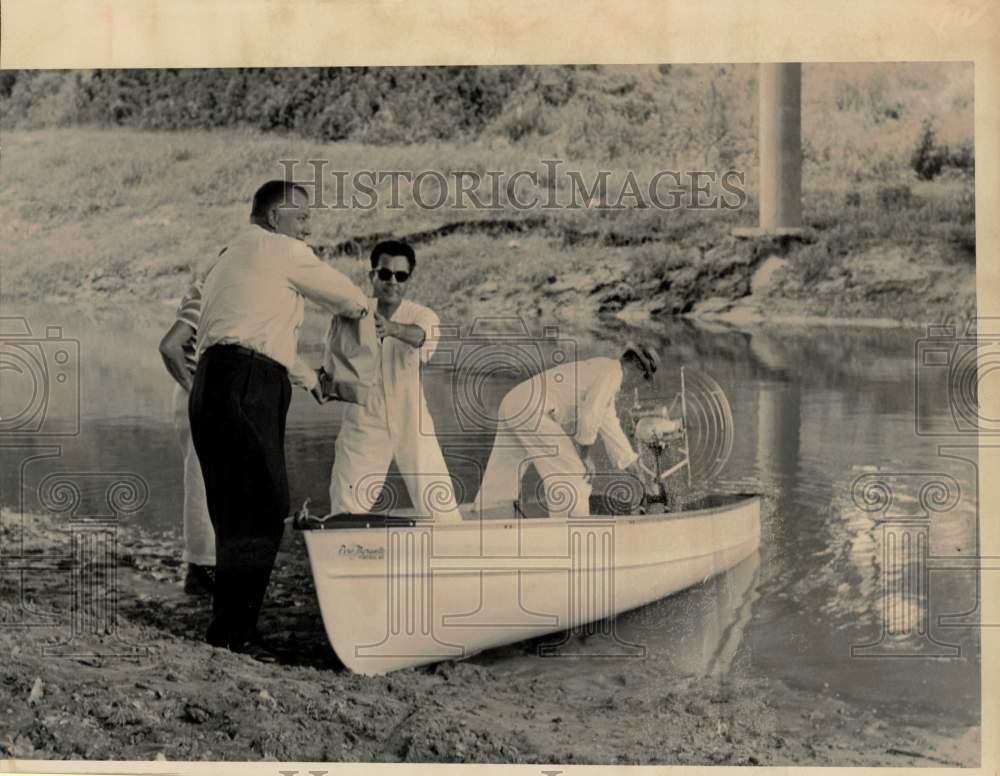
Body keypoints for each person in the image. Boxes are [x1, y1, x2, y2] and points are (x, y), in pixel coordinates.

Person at [188, 179, 369, 658]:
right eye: (302, 216)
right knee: (266, 506)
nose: (309, 225)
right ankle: (236, 632)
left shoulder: (230, 256)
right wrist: (368, 321)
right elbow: (348, 297)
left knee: (232, 508)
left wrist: (312, 378)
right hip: (248, 382)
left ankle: (226, 628)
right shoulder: (281, 249)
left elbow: (256, 333)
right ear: (274, 217)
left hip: (211, 382)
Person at [326, 240, 461, 521]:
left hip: (412, 422)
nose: (392, 282)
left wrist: (391, 328)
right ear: (371, 275)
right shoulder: (350, 313)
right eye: (385, 274)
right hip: (363, 421)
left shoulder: (422, 315)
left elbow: (423, 336)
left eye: (401, 276)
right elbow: (334, 365)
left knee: (439, 504)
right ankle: (342, 554)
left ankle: (452, 550)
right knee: (346, 503)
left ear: (409, 278)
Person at [474, 344, 659, 518]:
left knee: (505, 468)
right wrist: (584, 456)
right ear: (637, 369)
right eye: (644, 379)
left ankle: (487, 517)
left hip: (514, 402)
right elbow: (589, 418)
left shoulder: (603, 371)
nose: (639, 386)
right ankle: (569, 531)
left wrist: (639, 473)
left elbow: (612, 432)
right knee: (573, 473)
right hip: (532, 410)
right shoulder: (612, 374)